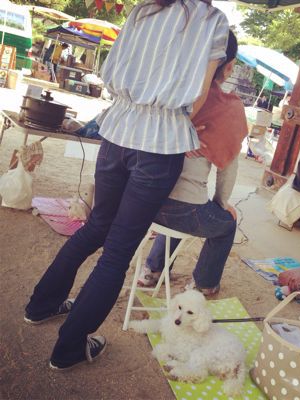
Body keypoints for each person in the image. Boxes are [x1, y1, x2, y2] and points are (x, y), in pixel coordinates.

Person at [24, 0, 229, 370]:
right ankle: (69, 348)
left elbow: (111, 69)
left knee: (96, 228)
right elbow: (199, 95)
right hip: (160, 144)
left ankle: (40, 306)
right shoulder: (213, 20)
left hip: (117, 132)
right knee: (118, 252)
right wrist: (172, 120)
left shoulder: (143, 10)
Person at [138, 30, 248, 295]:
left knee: (180, 206)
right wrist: (222, 204)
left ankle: (152, 270)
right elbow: (228, 169)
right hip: (183, 210)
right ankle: (205, 285)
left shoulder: (169, 90)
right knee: (223, 223)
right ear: (229, 67)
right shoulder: (228, 107)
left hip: (142, 200)